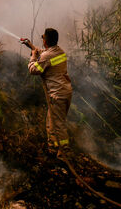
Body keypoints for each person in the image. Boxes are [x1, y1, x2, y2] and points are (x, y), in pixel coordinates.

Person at [28, 27, 73, 158]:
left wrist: (32, 57)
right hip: (65, 92)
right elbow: (45, 54)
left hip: (57, 95)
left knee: (58, 124)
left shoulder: (48, 56)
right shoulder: (60, 52)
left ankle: (64, 151)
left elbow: (33, 69)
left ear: (46, 41)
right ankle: (53, 148)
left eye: (43, 37)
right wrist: (31, 46)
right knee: (52, 122)